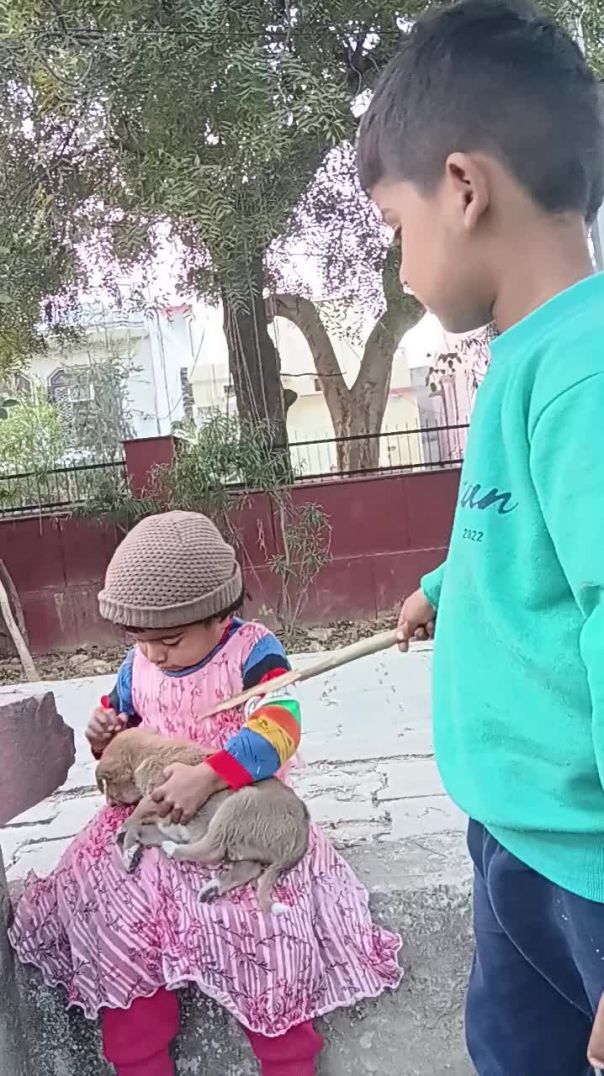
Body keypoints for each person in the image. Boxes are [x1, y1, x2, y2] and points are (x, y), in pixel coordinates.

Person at [357, 1, 604, 1073]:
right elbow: (522, 534)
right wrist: (444, 584)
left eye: (393, 227)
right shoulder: (527, 355)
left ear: (462, 187)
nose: (399, 264)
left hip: (587, 871)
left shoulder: (585, 371)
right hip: (512, 835)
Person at [9, 511, 401, 1076]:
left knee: (268, 943)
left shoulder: (253, 653)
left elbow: (279, 729)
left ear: (220, 616)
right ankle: (139, 1061)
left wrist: (211, 774)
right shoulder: (139, 664)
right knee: (117, 929)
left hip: (236, 821)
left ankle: (287, 1061)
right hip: (153, 829)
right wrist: (104, 731)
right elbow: (119, 727)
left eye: (169, 641)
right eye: (140, 641)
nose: (154, 655)